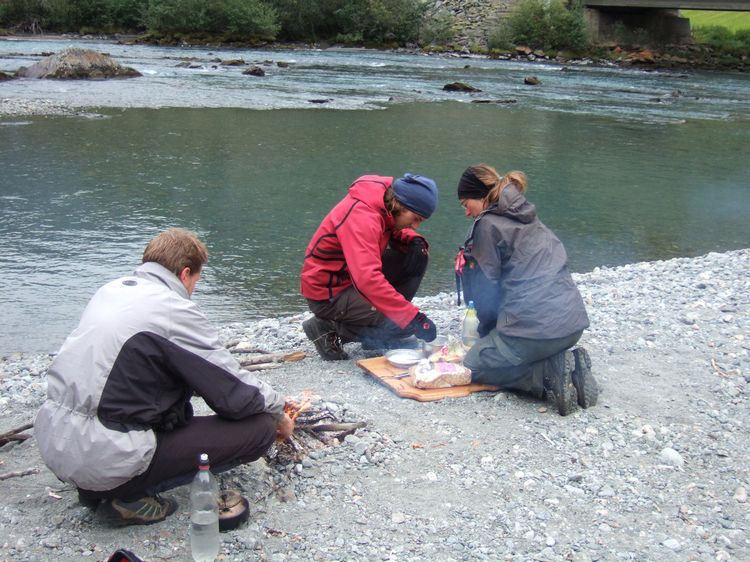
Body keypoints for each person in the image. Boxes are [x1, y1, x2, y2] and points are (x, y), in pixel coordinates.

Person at [34, 228, 294, 526]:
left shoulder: (110, 291)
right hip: (102, 455)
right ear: (185, 273)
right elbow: (233, 392)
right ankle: (126, 494)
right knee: (258, 428)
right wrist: (278, 411)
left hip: (58, 441)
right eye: (196, 280)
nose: (194, 289)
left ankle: (100, 485)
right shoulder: (172, 310)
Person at [455, 164, 598, 416]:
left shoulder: (488, 225)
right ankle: (567, 362)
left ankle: (545, 375)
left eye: (466, 203)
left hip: (534, 334)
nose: (467, 212)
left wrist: (486, 336)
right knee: (506, 350)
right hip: (572, 326)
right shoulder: (529, 218)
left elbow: (485, 290)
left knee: (472, 366)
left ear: (481, 197)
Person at [300, 173, 440, 360]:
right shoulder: (362, 216)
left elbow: (391, 227)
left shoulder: (383, 206)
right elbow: (367, 279)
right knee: (401, 324)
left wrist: (414, 241)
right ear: (400, 204)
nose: (414, 225)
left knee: (416, 255)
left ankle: (377, 322)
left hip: (349, 279)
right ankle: (328, 329)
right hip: (329, 294)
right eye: (415, 218)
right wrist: (412, 317)